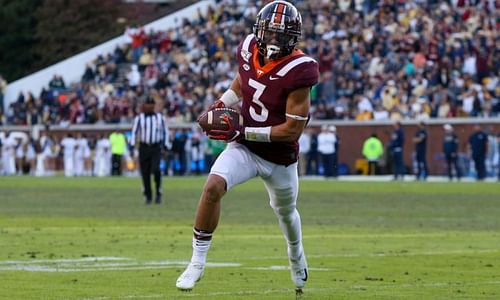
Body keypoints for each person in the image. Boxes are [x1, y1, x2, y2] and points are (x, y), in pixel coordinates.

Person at [176, 1, 319, 294]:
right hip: (245, 147)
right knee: (213, 186)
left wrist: (244, 130)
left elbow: (292, 130)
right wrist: (221, 104)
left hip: (279, 156)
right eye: (269, 32)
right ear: (259, 30)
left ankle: (296, 256)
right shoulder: (249, 48)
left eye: (281, 34)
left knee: (286, 212)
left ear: (293, 37)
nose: (273, 40)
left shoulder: (301, 70)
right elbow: (243, 81)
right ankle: (196, 263)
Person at [130, 97, 170, 204]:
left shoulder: (160, 118)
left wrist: (166, 145)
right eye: (147, 104)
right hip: (144, 147)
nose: (149, 106)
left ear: (153, 106)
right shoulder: (140, 118)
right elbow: (134, 132)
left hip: (155, 147)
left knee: (156, 169)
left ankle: (158, 191)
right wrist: (133, 145)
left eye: (151, 104)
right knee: (145, 172)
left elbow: (165, 132)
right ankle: (148, 195)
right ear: (144, 105)